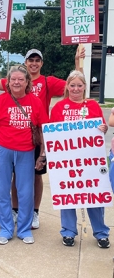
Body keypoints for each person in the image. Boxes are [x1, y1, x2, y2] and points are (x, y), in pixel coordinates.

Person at [0, 46, 84, 229]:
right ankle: (16, 210)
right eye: (30, 60)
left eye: (37, 60)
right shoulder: (16, 79)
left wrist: (78, 62)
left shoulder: (48, 81)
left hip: (37, 137)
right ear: (25, 63)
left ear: (41, 63)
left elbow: (75, 84)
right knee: (17, 176)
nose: (33, 63)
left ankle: (35, 212)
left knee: (36, 176)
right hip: (15, 139)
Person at [0, 65, 49, 245]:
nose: (17, 82)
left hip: (26, 150)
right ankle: (5, 229)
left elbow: (43, 130)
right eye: (13, 79)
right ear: (8, 81)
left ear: (27, 81)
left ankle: (24, 229)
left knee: (26, 191)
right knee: (3, 191)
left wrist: (42, 154)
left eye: (21, 79)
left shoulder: (35, 101)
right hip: (3, 149)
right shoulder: (0, 100)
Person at [50, 70, 110, 248]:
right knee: (67, 195)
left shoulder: (92, 106)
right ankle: (68, 232)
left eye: (79, 85)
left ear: (85, 87)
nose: (76, 88)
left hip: (90, 161)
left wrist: (103, 129)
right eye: (72, 85)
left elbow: (100, 129)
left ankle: (101, 232)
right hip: (66, 162)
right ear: (67, 86)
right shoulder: (59, 107)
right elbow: (52, 134)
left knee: (94, 196)